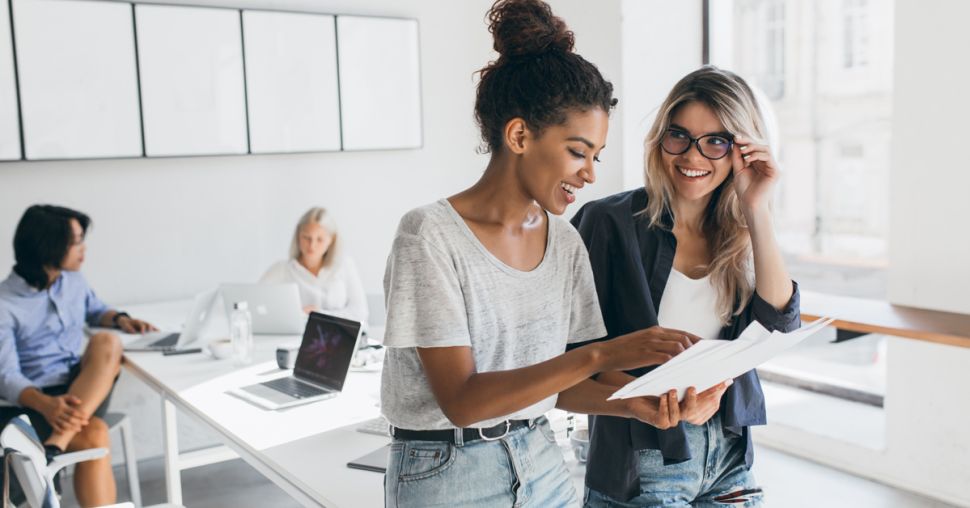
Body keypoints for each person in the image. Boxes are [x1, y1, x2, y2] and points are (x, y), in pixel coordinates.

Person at [379, 1, 707, 506]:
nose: (591, 173)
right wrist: (605, 354)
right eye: (578, 151)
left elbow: (561, 387)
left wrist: (637, 405)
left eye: (596, 156)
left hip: (540, 459)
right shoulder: (429, 236)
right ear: (519, 135)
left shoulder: (566, 242)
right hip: (446, 471)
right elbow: (464, 402)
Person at [569, 66, 801, 507]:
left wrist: (758, 208)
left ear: (741, 151)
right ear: (660, 139)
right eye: (679, 136)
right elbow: (575, 356)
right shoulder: (609, 223)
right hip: (642, 461)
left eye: (716, 142)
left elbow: (778, 326)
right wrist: (662, 399)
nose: (693, 158)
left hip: (730, 459)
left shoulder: (742, 231)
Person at [0, 205, 156, 506]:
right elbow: (6, 377)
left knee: (107, 341)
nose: (83, 249)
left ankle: (53, 447)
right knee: (95, 434)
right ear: (49, 246)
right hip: (30, 403)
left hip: (80, 393)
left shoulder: (73, 282)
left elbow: (96, 311)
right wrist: (47, 405)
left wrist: (120, 318)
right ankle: (52, 446)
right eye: (77, 241)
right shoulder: (4, 303)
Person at [260, 207, 368, 326]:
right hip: (296, 339)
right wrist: (297, 315)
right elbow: (258, 305)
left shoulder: (345, 266)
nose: (312, 245)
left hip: (339, 338)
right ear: (298, 236)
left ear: (331, 240)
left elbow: (360, 313)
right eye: (306, 238)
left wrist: (319, 315)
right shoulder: (282, 270)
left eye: (320, 239)